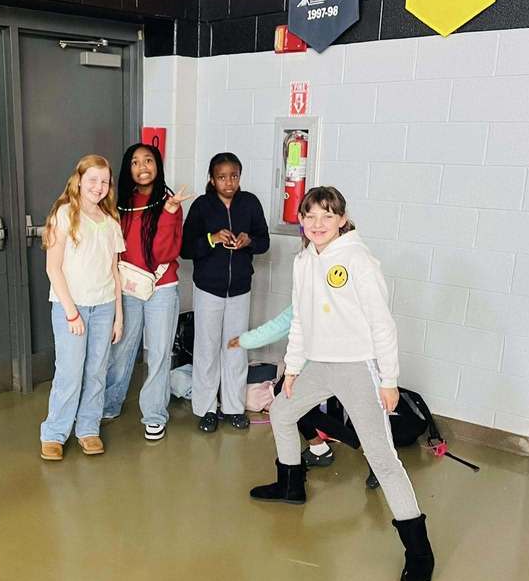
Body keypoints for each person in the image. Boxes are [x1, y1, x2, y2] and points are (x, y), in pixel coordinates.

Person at [249, 186, 435, 581]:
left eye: (326, 216)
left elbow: (383, 325)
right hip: (319, 364)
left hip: (357, 368)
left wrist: (388, 380)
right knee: (281, 411)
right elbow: (301, 322)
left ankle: (419, 551)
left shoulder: (358, 259)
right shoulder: (303, 262)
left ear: (342, 219)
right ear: (301, 219)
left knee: (382, 457)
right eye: (310, 216)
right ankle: (290, 484)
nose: (318, 224)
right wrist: (294, 368)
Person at [103, 143, 191, 441]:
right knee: (121, 349)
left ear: (158, 165)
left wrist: (168, 212)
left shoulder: (170, 202)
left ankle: (154, 415)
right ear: (128, 168)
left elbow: (164, 251)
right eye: (136, 162)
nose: (143, 167)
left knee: (158, 353)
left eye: (149, 161)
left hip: (161, 289)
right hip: (127, 289)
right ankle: (109, 404)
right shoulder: (119, 204)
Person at [39, 155, 124, 461]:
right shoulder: (65, 215)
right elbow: (53, 269)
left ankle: (88, 429)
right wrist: (72, 313)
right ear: (78, 181)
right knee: (70, 373)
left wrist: (118, 316)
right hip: (70, 309)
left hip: (103, 309)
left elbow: (115, 273)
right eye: (92, 180)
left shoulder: (111, 222)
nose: (98, 187)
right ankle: (54, 433)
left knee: (97, 371)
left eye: (104, 181)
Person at [181, 152, 269, 433]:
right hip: (208, 289)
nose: (228, 182)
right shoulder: (202, 206)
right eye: (222, 177)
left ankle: (233, 406)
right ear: (212, 179)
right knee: (206, 349)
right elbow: (185, 249)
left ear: (240, 177)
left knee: (235, 348)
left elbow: (264, 241)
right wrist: (212, 239)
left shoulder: (250, 203)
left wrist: (248, 241)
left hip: (240, 289)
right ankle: (206, 408)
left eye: (234, 176)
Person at [228, 306, 367, 474]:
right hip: (316, 367)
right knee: (289, 400)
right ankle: (321, 448)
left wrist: (244, 341)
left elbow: (278, 327)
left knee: (290, 402)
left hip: (330, 368)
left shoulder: (316, 296)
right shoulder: (312, 294)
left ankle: (357, 443)